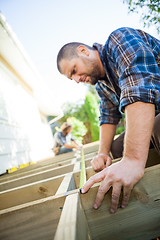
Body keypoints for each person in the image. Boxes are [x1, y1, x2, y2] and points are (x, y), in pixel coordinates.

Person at [57, 27, 160, 213]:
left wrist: (134, 159)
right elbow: (108, 116)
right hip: (154, 115)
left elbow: (140, 86)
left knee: (157, 127)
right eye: (71, 78)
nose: (77, 80)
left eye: (74, 70)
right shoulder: (102, 86)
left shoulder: (119, 40)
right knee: (116, 148)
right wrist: (103, 152)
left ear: (83, 50)